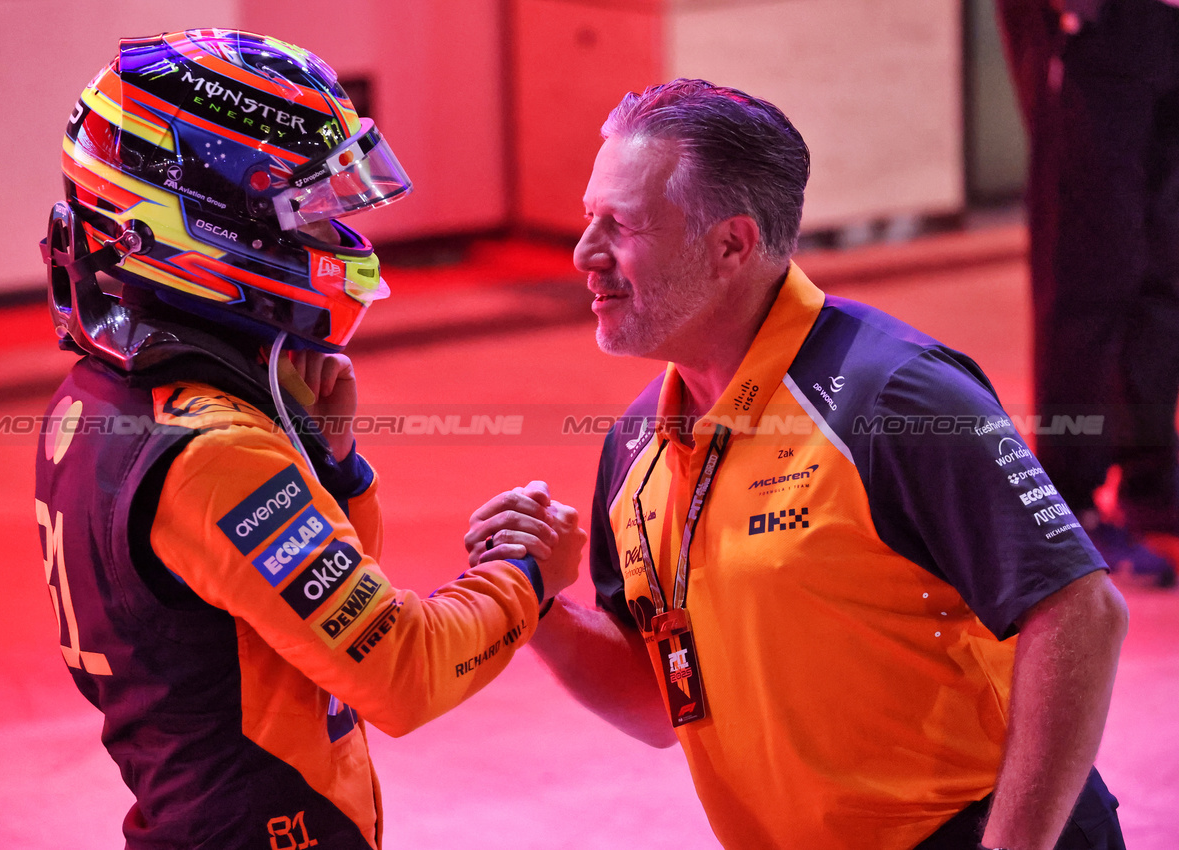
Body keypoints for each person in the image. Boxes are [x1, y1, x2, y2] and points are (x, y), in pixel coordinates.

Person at [466, 80, 1129, 849]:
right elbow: (659, 706)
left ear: (731, 245)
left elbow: (1082, 612)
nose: (585, 254)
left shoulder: (895, 396)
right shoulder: (634, 443)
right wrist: (540, 608)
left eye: (621, 225)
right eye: (589, 219)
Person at [32, 30, 582, 849]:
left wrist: (330, 466)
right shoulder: (214, 453)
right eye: (313, 212)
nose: (341, 240)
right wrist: (526, 573)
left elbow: (303, 636)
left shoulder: (100, 397)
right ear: (205, 226)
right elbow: (399, 675)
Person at [994, 0, 1179, 585]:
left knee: (1164, 260)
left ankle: (1150, 472)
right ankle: (1069, 500)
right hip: (1091, 20)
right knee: (1086, 267)